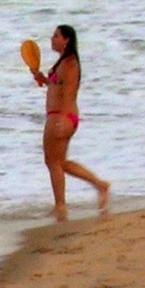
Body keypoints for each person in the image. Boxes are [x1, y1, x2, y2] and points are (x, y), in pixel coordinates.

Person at [30, 24, 110, 221]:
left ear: (66, 40)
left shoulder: (70, 63)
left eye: (56, 36)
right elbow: (58, 86)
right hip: (60, 115)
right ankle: (99, 185)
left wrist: (62, 118)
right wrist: (42, 79)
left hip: (61, 116)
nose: (52, 39)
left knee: (53, 162)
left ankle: (61, 207)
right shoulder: (63, 62)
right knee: (59, 162)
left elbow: (69, 91)